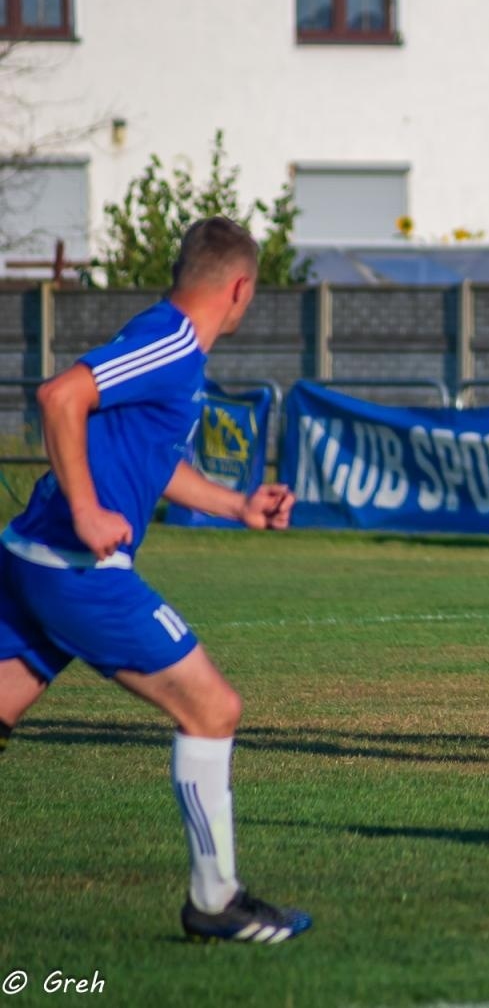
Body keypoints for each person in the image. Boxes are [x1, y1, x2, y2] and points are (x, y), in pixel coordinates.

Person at [0, 217, 315, 942]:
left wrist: (237, 503)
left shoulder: (161, 332)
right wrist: (84, 509)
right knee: (215, 709)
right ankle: (215, 902)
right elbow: (60, 397)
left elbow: (151, 456)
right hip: (77, 570)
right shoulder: (172, 346)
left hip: (29, 556)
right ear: (239, 289)